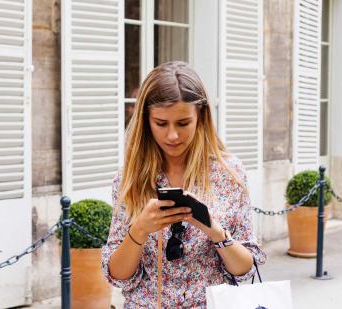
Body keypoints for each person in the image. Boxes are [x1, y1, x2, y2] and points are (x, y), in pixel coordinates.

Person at [101, 61, 266, 308]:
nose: (172, 136)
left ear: (201, 117)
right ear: (146, 120)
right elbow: (118, 276)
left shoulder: (228, 174)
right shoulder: (129, 179)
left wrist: (214, 230)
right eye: (161, 123)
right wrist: (139, 230)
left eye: (182, 123)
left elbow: (245, 269)